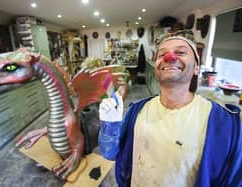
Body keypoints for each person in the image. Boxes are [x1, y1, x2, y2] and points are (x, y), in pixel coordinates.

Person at [98, 30, 242, 187]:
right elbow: (110, 154)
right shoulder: (136, 111)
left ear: (196, 68)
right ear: (156, 68)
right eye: (161, 55)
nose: (169, 58)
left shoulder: (225, 126)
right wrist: (109, 126)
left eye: (180, 52)